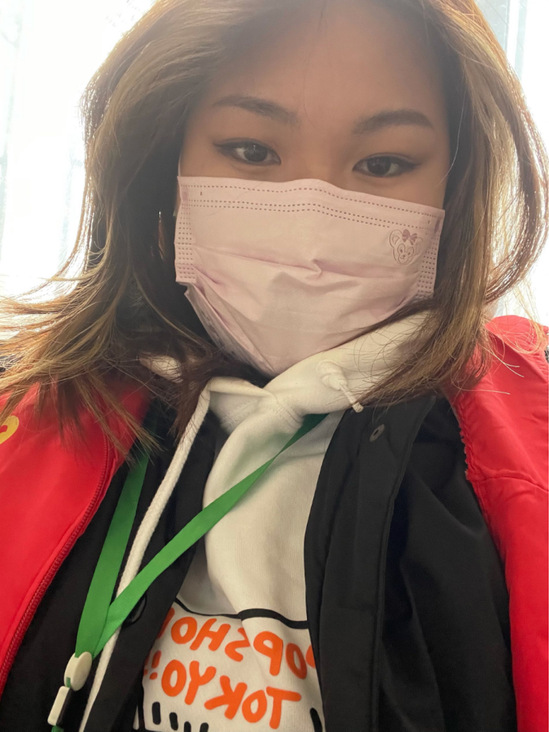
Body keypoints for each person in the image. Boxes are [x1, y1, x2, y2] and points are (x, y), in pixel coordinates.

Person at [0, 0, 547, 730]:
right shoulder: (38, 416)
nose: (312, 228)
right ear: (164, 161)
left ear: (456, 182)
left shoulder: (516, 461)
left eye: (383, 164)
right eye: (252, 151)